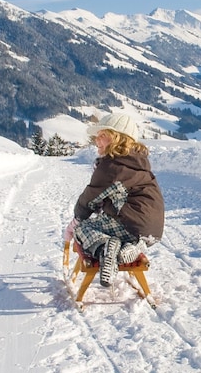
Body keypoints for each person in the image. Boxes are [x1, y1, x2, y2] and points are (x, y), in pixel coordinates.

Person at [64, 113, 164, 287]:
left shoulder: (112, 166)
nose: (97, 140)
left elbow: (90, 198)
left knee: (83, 229)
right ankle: (131, 248)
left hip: (130, 225)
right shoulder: (137, 162)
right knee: (107, 220)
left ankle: (105, 250)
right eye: (97, 136)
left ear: (118, 138)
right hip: (152, 231)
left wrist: (76, 220)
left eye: (103, 135)